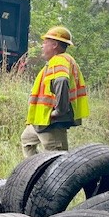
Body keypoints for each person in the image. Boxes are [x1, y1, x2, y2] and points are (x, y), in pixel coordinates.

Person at [21, 26, 89, 157]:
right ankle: (36, 172)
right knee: (27, 140)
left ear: (54, 45)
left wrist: (59, 111)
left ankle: (47, 175)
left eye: (45, 42)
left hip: (52, 124)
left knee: (57, 163)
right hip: (41, 121)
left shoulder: (59, 60)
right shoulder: (56, 62)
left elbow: (62, 81)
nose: (42, 46)